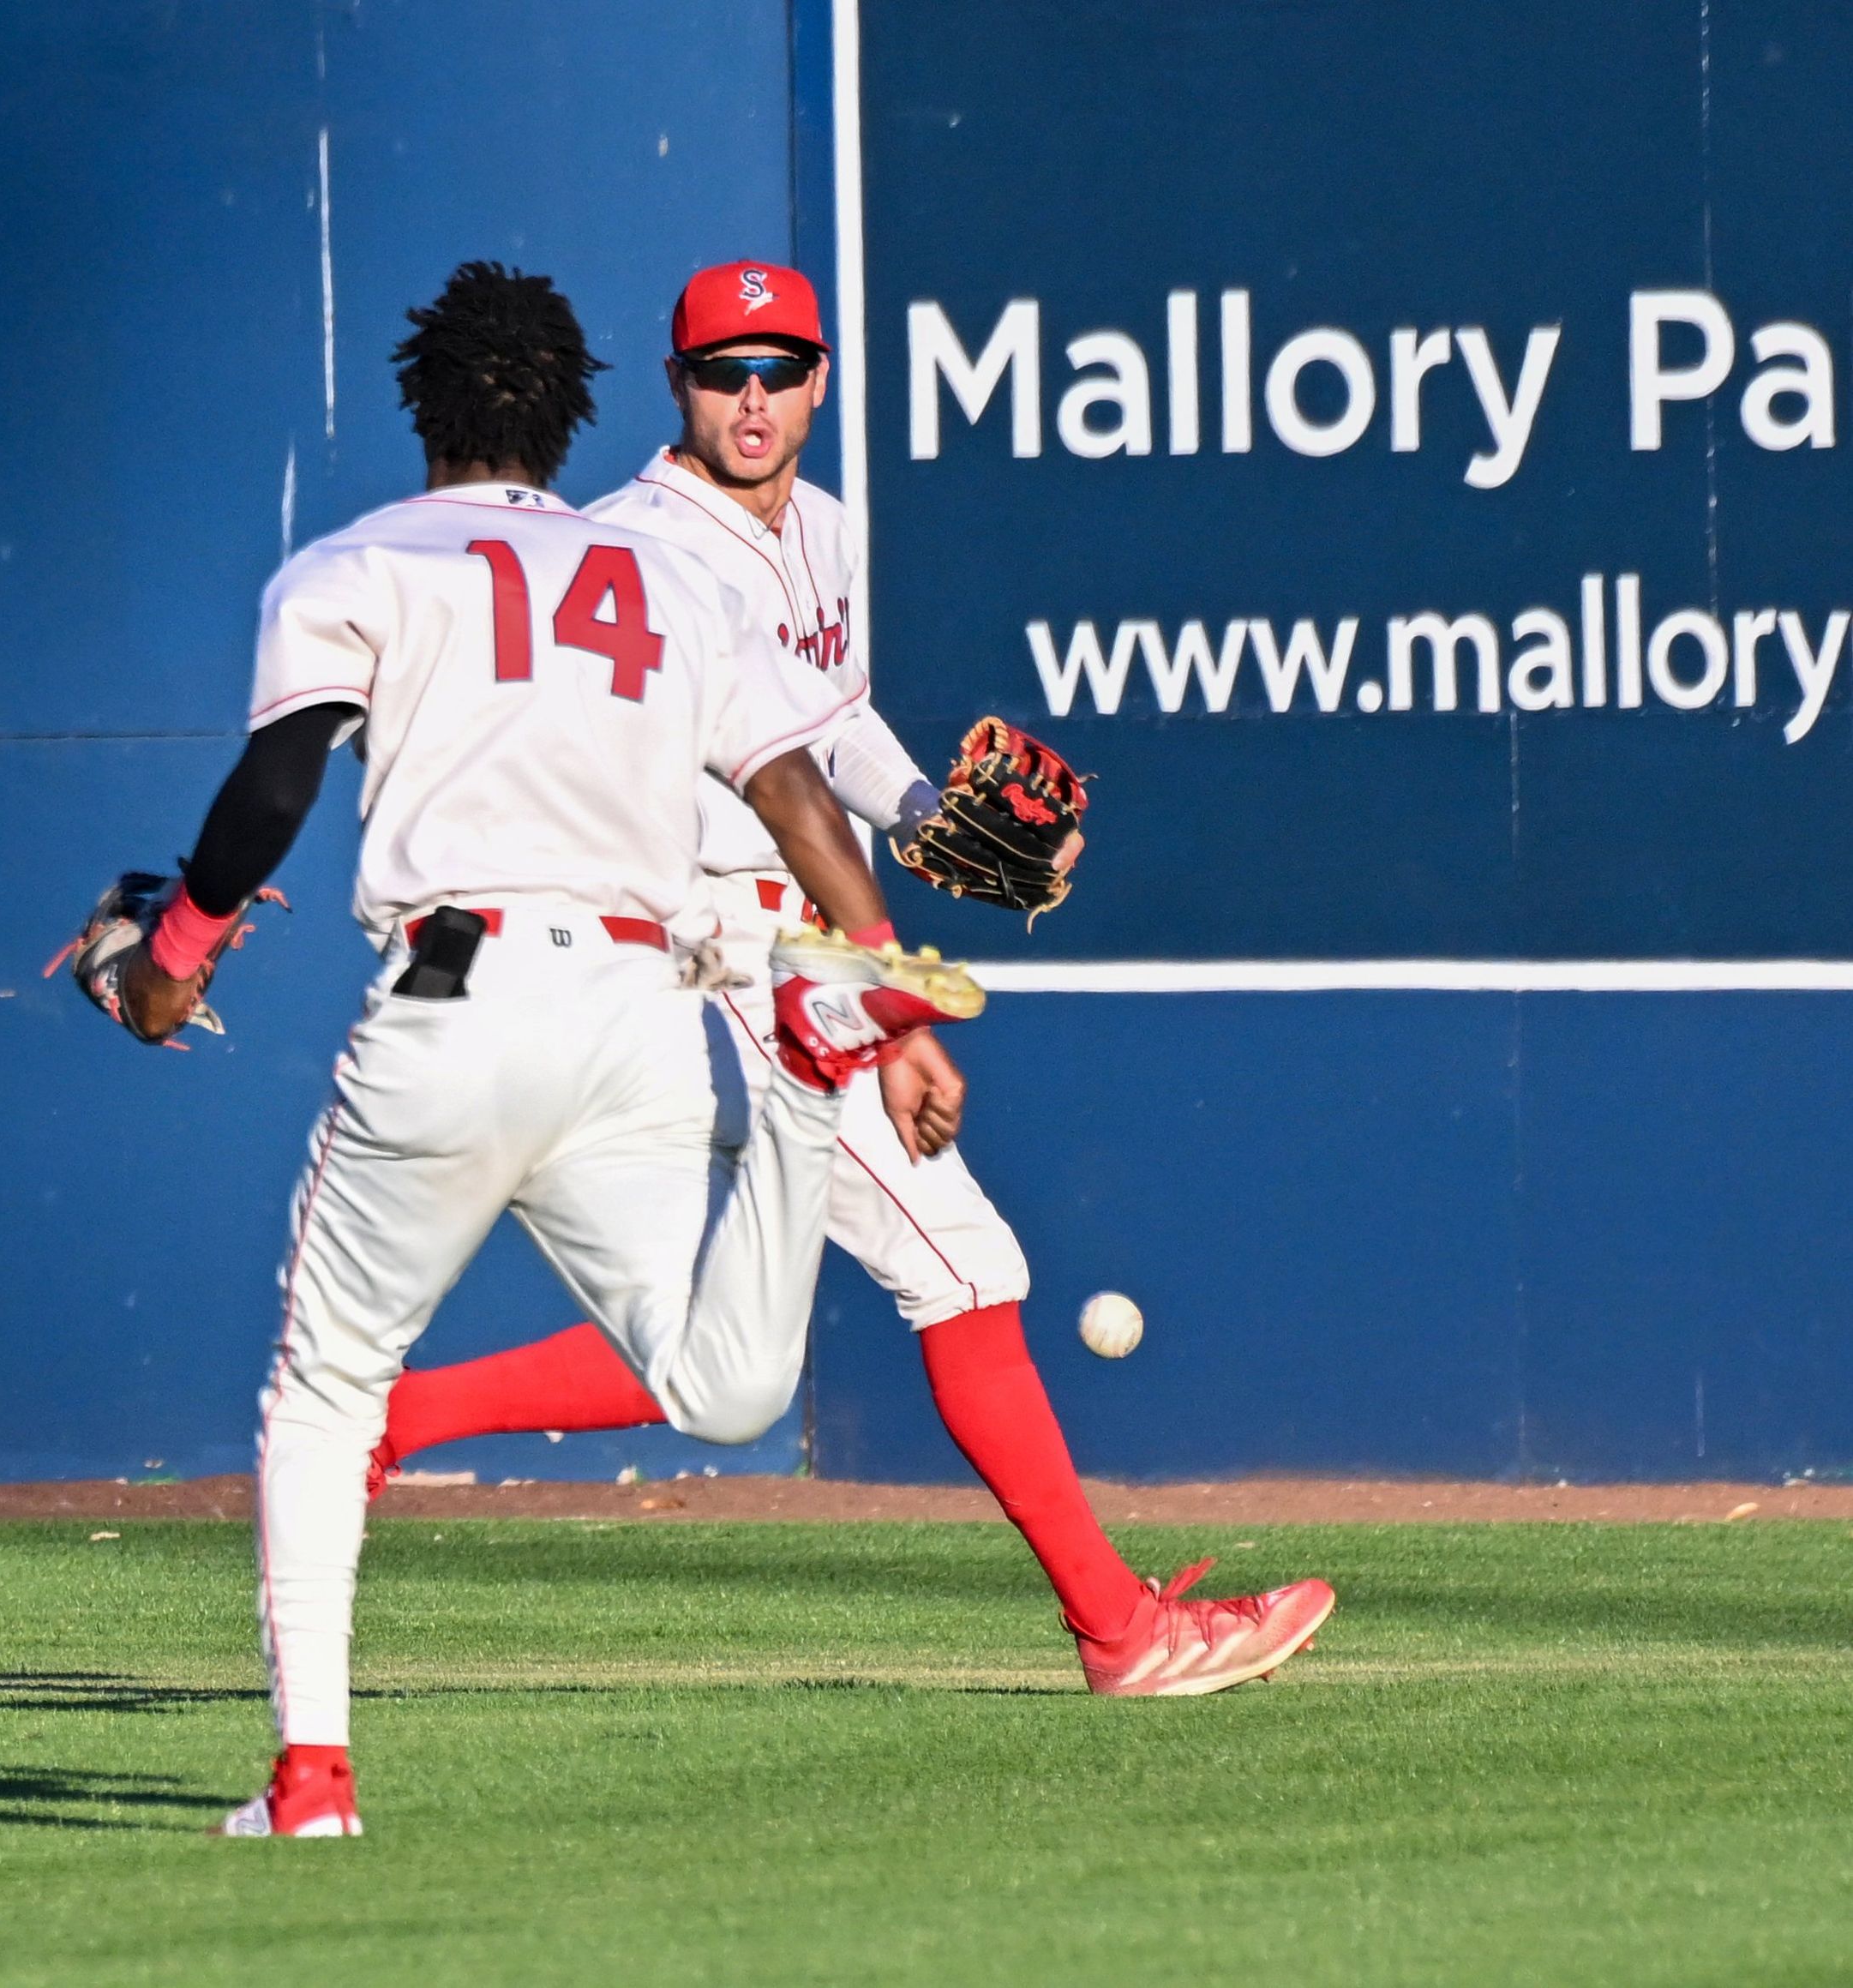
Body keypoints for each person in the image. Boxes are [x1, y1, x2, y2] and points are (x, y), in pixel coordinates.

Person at [92, 261, 986, 1835]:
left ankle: (312, 1781)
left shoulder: (356, 561)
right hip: (643, 1017)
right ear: (578, 415)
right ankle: (801, 1078)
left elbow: (277, 789)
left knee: (327, 1393)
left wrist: (176, 956)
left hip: (457, 991)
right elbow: (797, 800)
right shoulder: (668, 580)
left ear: (423, 408)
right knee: (719, 1388)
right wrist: (894, 1007)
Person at [364, 261, 1334, 1700]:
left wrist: (932, 822)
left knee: (718, 1329)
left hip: (763, 941)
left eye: (778, 369)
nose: (751, 401)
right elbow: (713, 769)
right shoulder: (639, 542)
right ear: (678, 385)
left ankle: (379, 1417)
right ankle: (1122, 1630)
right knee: (968, 1268)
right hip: (723, 950)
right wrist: (880, 995)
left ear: (820, 380)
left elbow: (828, 729)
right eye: (721, 373)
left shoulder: (819, 527)